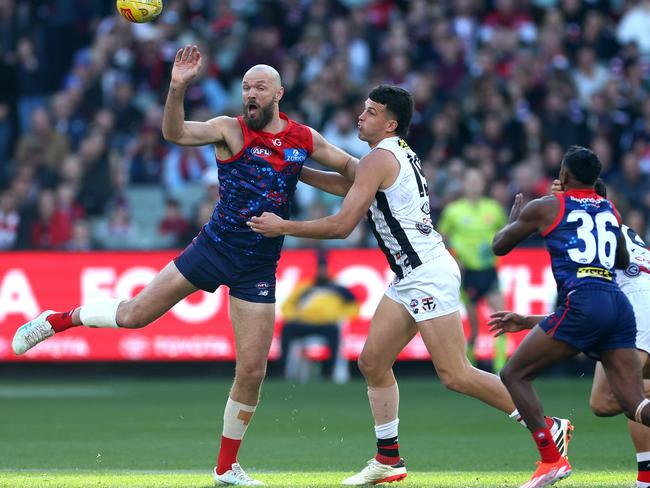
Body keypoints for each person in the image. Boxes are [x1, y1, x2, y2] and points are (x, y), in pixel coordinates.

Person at [12, 45, 358, 486]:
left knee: (252, 371)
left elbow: (351, 171)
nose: (250, 93)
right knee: (135, 315)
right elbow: (174, 133)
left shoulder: (302, 140)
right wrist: (177, 88)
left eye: (259, 87)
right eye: (245, 87)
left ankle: (226, 468)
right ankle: (58, 320)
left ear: (279, 94)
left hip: (258, 264)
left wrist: (370, 173)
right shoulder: (229, 130)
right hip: (212, 248)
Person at [248, 85, 572, 486]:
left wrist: (283, 226)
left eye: (370, 112)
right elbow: (350, 183)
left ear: (390, 122)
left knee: (456, 374)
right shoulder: (391, 154)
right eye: (363, 109)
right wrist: (295, 169)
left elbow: (343, 225)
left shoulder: (378, 159)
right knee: (372, 362)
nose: (361, 116)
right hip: (412, 274)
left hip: (426, 273)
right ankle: (389, 460)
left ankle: (547, 425)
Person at [490, 146, 650, 488]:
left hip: (584, 301)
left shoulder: (547, 207)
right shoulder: (610, 210)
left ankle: (551, 459)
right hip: (618, 306)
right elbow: (621, 261)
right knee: (633, 404)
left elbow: (500, 246)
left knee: (514, 373)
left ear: (563, 176)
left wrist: (515, 220)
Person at [438, 167, 508, 370]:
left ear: (483, 184)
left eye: (478, 180)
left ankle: (501, 370)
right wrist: (453, 258)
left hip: (488, 270)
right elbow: (440, 237)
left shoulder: (493, 208)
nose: (474, 184)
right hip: (466, 273)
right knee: (473, 328)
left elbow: (506, 233)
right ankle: (469, 368)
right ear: (464, 184)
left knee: (502, 318)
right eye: (470, 180)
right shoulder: (453, 211)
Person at [279, 250, 358, 381]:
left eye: (324, 268)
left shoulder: (339, 289)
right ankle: (283, 373)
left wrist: (338, 316)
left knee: (334, 334)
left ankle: (328, 373)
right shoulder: (306, 287)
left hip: (326, 324)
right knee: (287, 329)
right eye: (320, 269)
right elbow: (287, 306)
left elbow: (354, 307)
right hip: (305, 323)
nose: (322, 272)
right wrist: (294, 316)